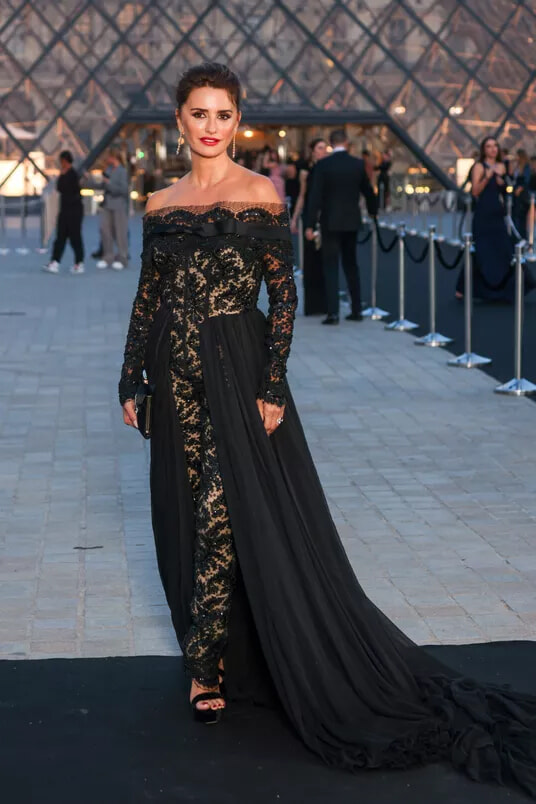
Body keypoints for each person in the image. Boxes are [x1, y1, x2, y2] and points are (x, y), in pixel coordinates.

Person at [119, 63, 536, 797]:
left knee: (220, 512)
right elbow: (147, 296)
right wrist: (130, 377)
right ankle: (217, 645)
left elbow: (284, 296)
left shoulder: (259, 193)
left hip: (237, 368)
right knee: (179, 510)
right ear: (178, 120)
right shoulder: (159, 202)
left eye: (223, 113)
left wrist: (271, 384)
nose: (210, 126)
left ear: (237, 120)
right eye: (198, 113)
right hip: (171, 372)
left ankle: (205, 665)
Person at [305, 129, 377, 324]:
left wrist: (310, 224)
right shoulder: (357, 164)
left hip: (330, 221)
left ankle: (333, 313)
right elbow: (368, 191)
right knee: (351, 265)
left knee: (331, 266)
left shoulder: (323, 165)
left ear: (331, 143)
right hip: (351, 221)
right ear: (346, 142)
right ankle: (356, 310)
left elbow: (315, 197)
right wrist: (373, 211)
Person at [456, 136, 534, 302]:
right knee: (481, 251)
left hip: (498, 215)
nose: (492, 149)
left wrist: (503, 182)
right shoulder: (479, 166)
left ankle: (506, 289)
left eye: (495, 146)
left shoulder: (503, 166)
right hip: (483, 215)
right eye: (489, 146)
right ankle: (463, 288)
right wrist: (488, 176)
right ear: (484, 150)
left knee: (504, 249)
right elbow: (475, 191)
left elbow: (508, 189)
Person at [290, 138, 328, 315]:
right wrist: (295, 218)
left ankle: (326, 303)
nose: (324, 151)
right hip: (310, 217)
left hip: (326, 216)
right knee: (311, 260)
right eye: (320, 148)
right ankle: (313, 305)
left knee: (326, 260)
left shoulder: (329, 168)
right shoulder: (306, 172)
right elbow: (302, 195)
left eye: (325, 148)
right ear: (313, 151)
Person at [43, 150, 84, 275]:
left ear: (65, 161)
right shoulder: (65, 173)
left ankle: (79, 263)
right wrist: (61, 175)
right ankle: (55, 261)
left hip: (74, 212)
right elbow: (60, 188)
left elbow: (70, 190)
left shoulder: (73, 174)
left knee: (75, 237)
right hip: (65, 211)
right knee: (60, 237)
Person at [95, 150, 129, 270]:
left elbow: (123, 190)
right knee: (105, 231)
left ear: (114, 157)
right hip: (107, 205)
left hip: (118, 205)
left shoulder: (122, 171)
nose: (107, 159)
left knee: (120, 232)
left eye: (109, 157)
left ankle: (122, 258)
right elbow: (102, 185)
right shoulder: (108, 169)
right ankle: (107, 257)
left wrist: (109, 183)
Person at [513, 148, 531, 240]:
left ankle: (523, 237)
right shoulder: (517, 166)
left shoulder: (526, 167)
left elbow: (526, 180)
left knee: (521, 217)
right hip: (516, 194)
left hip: (522, 195)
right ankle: (517, 237)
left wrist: (520, 189)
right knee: (516, 216)